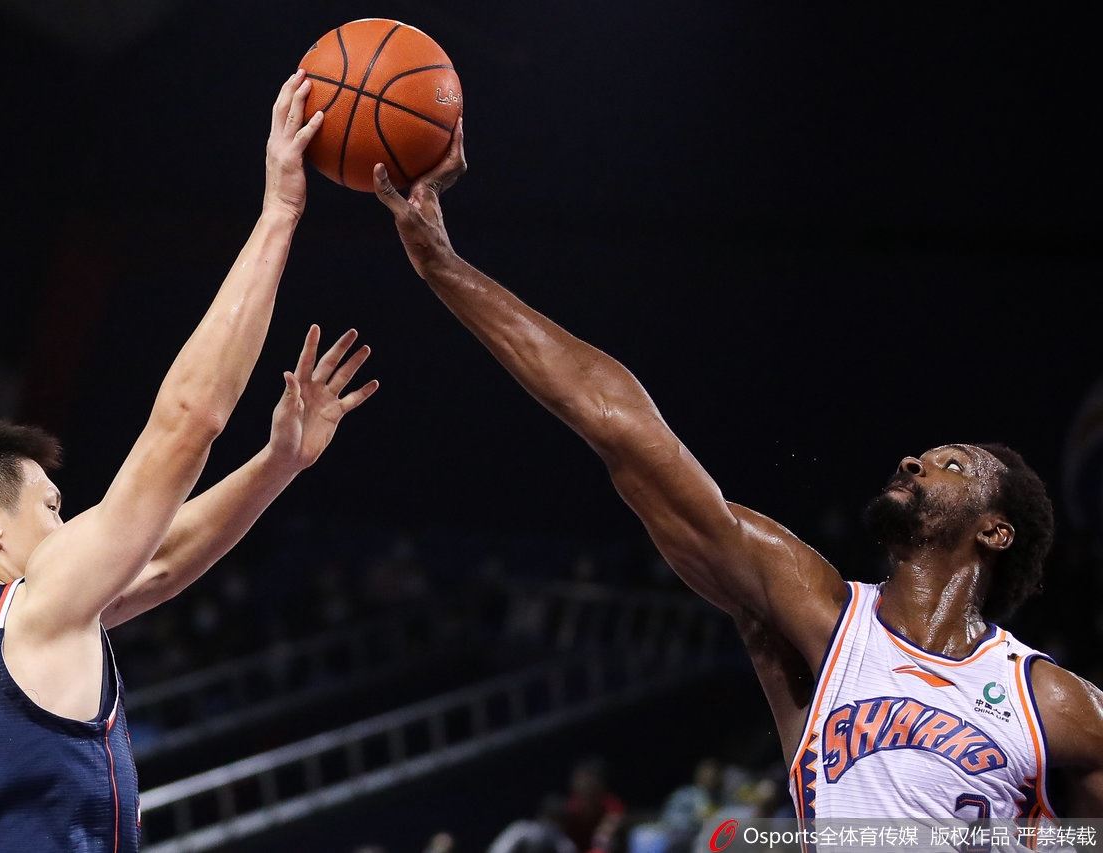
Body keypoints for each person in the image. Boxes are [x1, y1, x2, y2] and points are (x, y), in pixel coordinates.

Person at [371, 126, 1103, 829]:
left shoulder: (1058, 706)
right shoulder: (818, 616)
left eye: (952, 463)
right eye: (924, 453)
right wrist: (446, 268)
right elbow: (621, 426)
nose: (915, 461)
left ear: (996, 531)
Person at [0, 70, 378, 851]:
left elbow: (163, 561)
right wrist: (279, 214)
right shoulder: (33, 611)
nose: (69, 524)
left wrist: (277, 462)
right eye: (51, 508)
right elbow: (187, 422)